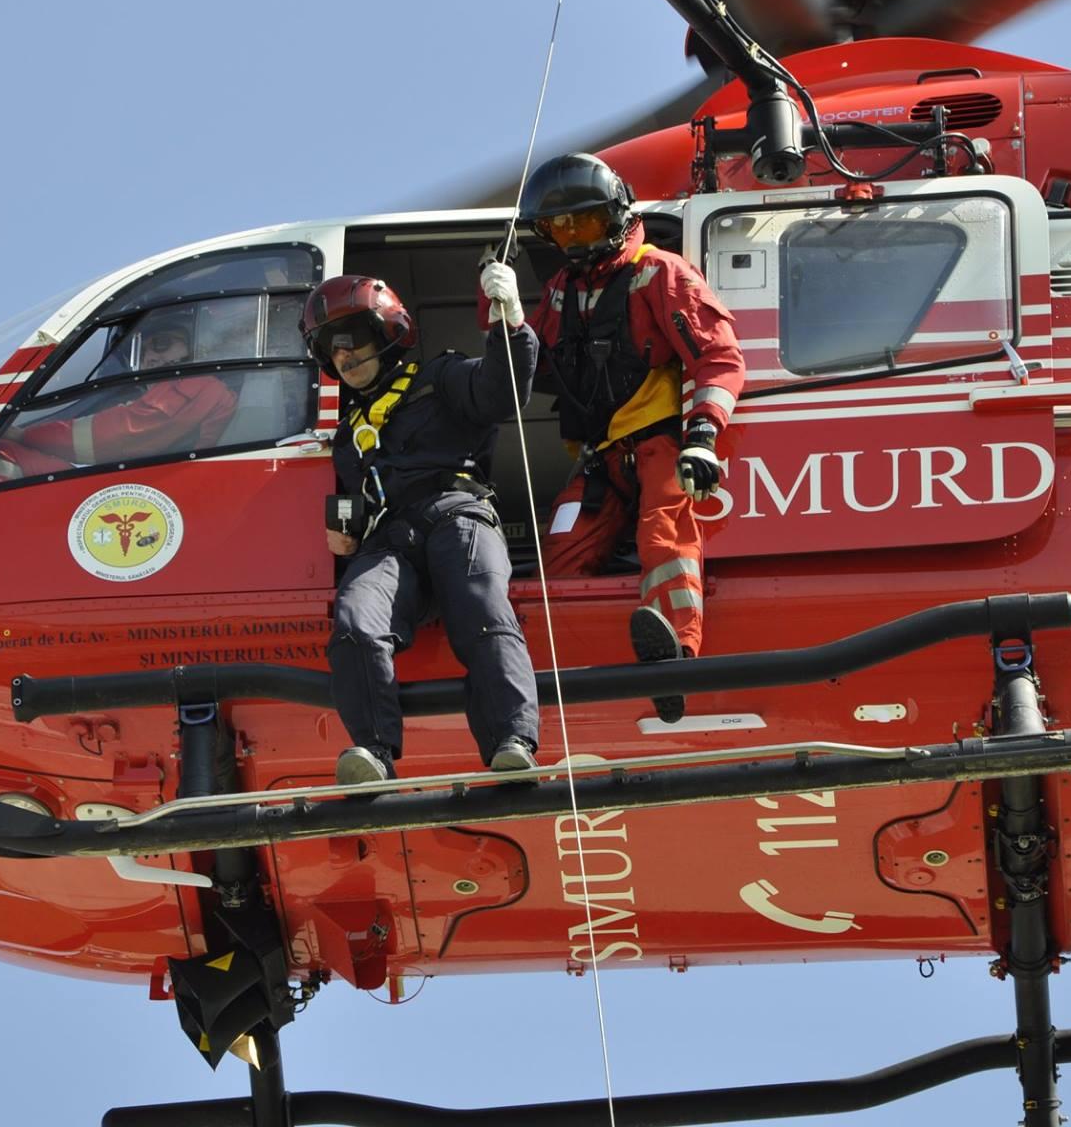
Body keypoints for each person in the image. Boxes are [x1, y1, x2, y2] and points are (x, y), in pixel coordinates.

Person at [305, 267, 542, 784]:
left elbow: (502, 394)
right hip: (390, 539)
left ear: (389, 332)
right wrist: (344, 542)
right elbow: (356, 505)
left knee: (481, 607)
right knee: (355, 617)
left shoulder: (443, 379)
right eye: (331, 349)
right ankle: (373, 751)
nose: (343, 356)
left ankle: (513, 741)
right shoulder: (349, 438)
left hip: (457, 515)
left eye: (352, 340)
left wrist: (511, 327)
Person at [515, 151, 744, 678]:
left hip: (659, 443)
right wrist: (501, 316)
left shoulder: (659, 273)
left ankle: (675, 658)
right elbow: (531, 365)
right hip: (600, 459)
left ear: (617, 214)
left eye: (586, 222)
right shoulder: (560, 293)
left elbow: (720, 356)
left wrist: (703, 436)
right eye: (560, 229)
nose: (575, 238)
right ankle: (560, 673)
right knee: (562, 548)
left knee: (665, 536)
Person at [0, 306, 238, 481]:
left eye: (161, 344)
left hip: (162, 485)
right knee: (3, 452)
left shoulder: (201, 386)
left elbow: (116, 434)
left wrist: (24, 435)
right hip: (143, 481)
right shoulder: (169, 393)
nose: (150, 358)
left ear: (195, 346)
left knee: (2, 454)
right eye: (141, 353)